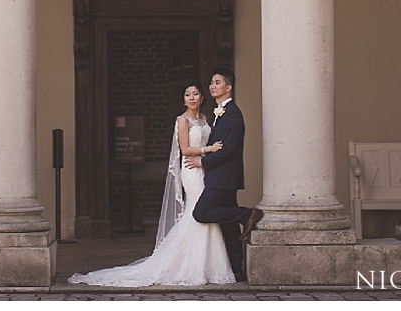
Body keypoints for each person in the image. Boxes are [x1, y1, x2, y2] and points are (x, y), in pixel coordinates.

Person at [67, 81, 236, 287]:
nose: (191, 98)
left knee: (204, 211)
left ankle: (209, 265)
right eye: (187, 94)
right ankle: (190, 266)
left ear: (202, 98)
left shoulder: (205, 118)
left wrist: (208, 155)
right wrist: (209, 150)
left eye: (195, 94)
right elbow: (185, 148)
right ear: (183, 99)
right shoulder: (182, 120)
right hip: (191, 170)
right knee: (200, 210)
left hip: (205, 169)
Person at [185, 67, 262, 281]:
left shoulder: (234, 114)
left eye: (217, 82)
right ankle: (236, 268)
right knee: (227, 225)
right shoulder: (220, 112)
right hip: (220, 175)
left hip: (224, 176)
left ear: (229, 87)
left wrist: (203, 161)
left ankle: (247, 215)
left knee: (201, 213)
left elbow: (230, 149)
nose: (212, 86)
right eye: (211, 82)